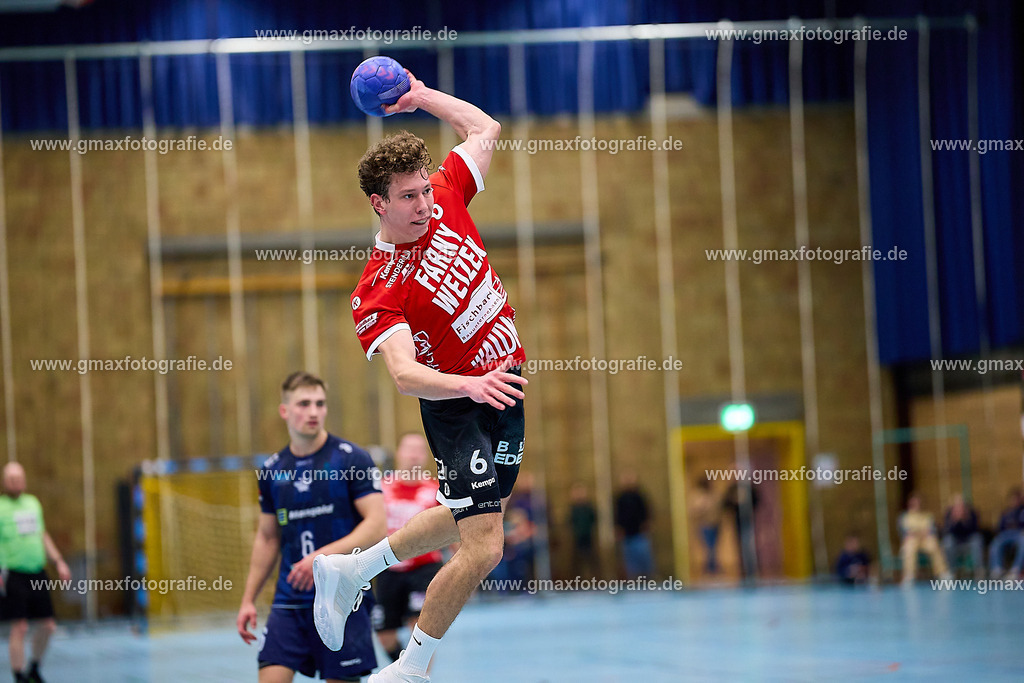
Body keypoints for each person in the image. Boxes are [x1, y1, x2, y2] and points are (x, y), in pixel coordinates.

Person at [311, 69, 528, 683]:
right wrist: (468, 384)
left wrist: (419, 95)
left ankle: (353, 569)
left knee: (477, 511)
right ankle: (410, 667)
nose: (424, 205)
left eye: (424, 192)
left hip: (504, 382)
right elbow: (406, 374)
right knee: (485, 545)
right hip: (459, 402)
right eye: (409, 198)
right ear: (379, 203)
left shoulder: (445, 197)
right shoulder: (378, 287)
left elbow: (484, 126)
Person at [236, 371, 386, 683]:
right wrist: (248, 598)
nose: (314, 411)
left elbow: (376, 526)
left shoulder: (351, 458)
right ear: (285, 411)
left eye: (320, 403)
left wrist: (319, 558)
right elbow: (267, 537)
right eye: (304, 404)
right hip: (289, 601)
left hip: (343, 597)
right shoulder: (272, 470)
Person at [373, 433, 443, 666]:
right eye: (408, 449)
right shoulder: (381, 489)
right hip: (387, 567)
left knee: (420, 630)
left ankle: (418, 677)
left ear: (425, 456)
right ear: (399, 454)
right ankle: (402, 671)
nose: (413, 455)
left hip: (424, 568)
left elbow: (452, 532)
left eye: (419, 450)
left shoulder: (436, 491)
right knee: (385, 636)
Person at [0, 462, 71, 683]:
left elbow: (42, 535)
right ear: (4, 482)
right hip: (12, 573)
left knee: (48, 625)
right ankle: (19, 674)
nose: (16, 482)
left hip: (37, 571)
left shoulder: (33, 503)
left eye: (19, 477)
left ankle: (34, 668)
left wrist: (59, 561)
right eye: (11, 478)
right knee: (19, 626)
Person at [898, 493, 951, 586]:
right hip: (912, 541)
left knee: (934, 545)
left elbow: (931, 530)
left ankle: (942, 573)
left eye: (918, 503)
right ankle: (909, 576)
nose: (917, 505)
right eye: (914, 503)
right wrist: (919, 532)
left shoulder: (928, 515)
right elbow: (906, 532)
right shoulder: (905, 516)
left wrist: (918, 532)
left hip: (926, 541)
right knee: (908, 549)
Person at [614, 472, 654, 579]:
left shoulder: (640, 496)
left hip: (640, 534)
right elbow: (617, 515)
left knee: (644, 558)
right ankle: (633, 580)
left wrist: (646, 526)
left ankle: (648, 579)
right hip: (627, 535)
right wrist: (619, 529)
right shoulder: (620, 498)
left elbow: (646, 512)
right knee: (630, 562)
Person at [941, 493, 984, 578]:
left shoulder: (972, 514)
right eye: (957, 505)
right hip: (955, 542)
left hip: (968, 541)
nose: (959, 508)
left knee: (977, 539)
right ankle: (951, 571)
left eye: (961, 505)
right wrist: (954, 522)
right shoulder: (949, 514)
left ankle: (978, 570)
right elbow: (946, 531)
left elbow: (976, 530)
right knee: (947, 541)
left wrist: (965, 521)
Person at [689, 475, 722, 575]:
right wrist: (702, 507)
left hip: (715, 524)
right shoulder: (698, 495)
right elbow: (693, 510)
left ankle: (712, 567)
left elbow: (718, 508)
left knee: (713, 547)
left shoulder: (713, 494)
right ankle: (710, 568)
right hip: (705, 525)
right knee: (709, 547)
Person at [988, 488, 1024, 579]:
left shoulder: (1022, 511)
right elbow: (1000, 527)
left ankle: (1015, 569)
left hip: (1019, 534)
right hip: (1006, 535)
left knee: (1023, 541)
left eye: (1016, 499)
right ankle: (997, 569)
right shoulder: (1005, 513)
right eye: (1012, 499)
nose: (1014, 501)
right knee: (995, 542)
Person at [567, 483, 597, 578]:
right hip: (576, 537)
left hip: (588, 536)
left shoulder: (588, 507)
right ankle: (576, 580)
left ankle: (593, 578)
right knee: (577, 561)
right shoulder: (573, 508)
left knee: (591, 558)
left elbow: (593, 519)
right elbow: (569, 521)